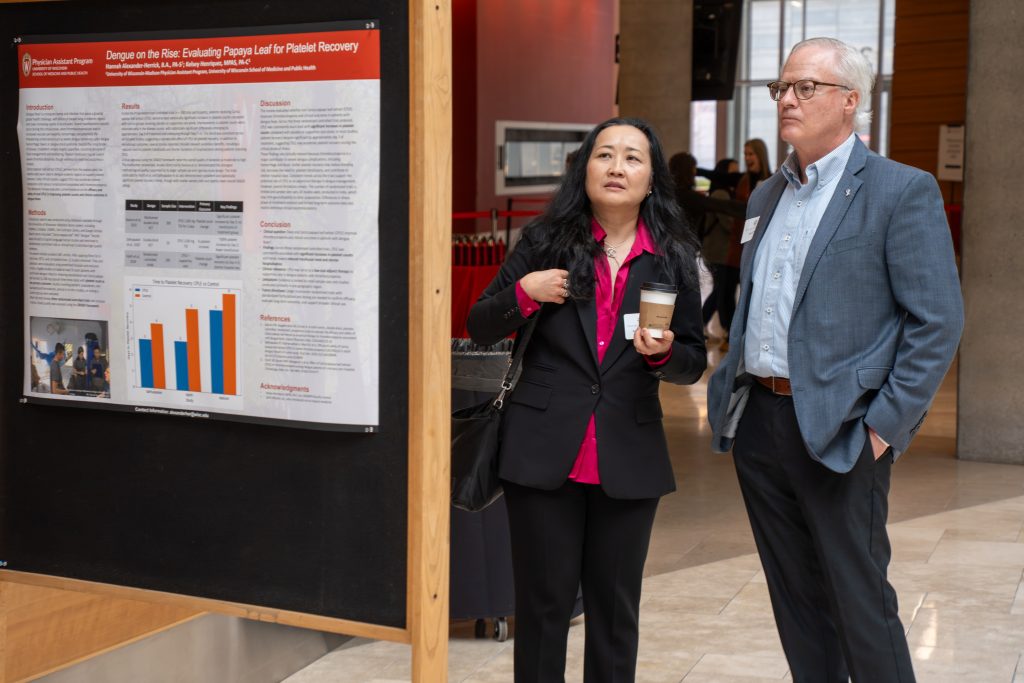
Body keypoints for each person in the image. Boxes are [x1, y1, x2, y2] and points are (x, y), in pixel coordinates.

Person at [707, 37, 963, 683]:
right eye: (782, 88)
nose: (787, 100)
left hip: (843, 428)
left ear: (850, 101)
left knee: (859, 600)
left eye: (806, 87)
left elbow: (937, 320)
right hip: (761, 421)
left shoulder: (899, 190)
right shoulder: (765, 196)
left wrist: (882, 428)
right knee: (795, 600)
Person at [468, 117, 707, 682]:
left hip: (628, 455)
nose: (617, 167)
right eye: (604, 155)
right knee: (542, 609)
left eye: (632, 157)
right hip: (541, 452)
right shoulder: (544, 242)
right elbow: (480, 324)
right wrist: (524, 293)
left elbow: (693, 360)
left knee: (616, 614)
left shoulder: (673, 256)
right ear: (584, 169)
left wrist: (663, 354)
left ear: (652, 179)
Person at [718, 138, 773, 349]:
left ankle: (749, 337)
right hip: (737, 245)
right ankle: (731, 334)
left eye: (751, 154)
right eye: (745, 154)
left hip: (760, 246)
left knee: (754, 294)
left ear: (760, 155)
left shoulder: (772, 180)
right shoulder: (742, 181)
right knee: (726, 292)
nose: (748, 158)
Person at [698, 158, 740, 332]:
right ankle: (705, 326)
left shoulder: (723, 192)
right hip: (718, 252)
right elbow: (728, 224)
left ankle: (704, 326)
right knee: (721, 292)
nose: (736, 176)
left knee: (720, 291)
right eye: (733, 172)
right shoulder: (722, 194)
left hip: (718, 252)